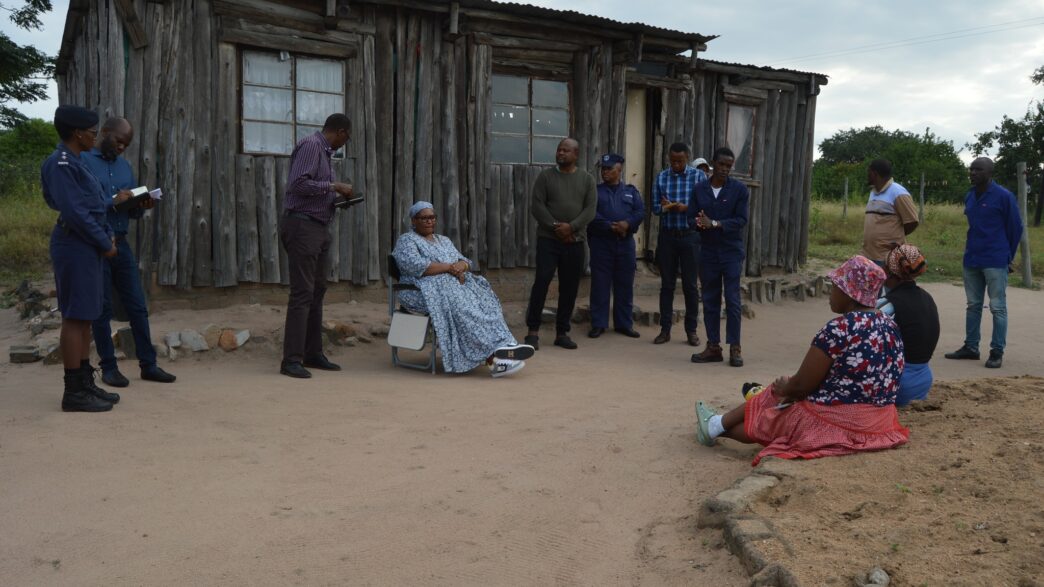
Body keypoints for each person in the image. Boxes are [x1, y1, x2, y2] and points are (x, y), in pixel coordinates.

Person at [694, 256, 909, 466]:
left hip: (843, 422)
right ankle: (716, 424)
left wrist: (784, 387)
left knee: (776, 403)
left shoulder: (840, 328)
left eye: (834, 286)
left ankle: (715, 426)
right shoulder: (889, 325)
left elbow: (801, 386)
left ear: (849, 292)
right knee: (784, 394)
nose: (830, 293)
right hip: (880, 421)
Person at [83, 117, 176, 387]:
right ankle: (109, 367)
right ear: (104, 133)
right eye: (119, 140)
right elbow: (82, 203)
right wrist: (112, 201)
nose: (123, 147)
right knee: (102, 308)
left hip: (121, 243)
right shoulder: (85, 161)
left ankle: (149, 365)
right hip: (96, 243)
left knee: (137, 305)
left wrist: (142, 204)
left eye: (127, 143)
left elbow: (130, 210)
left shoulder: (124, 167)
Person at [393, 202, 535, 376]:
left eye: (432, 217)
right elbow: (416, 267)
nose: (429, 221)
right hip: (420, 291)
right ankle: (493, 358)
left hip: (454, 288)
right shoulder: (407, 240)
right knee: (464, 309)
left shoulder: (443, 240)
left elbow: (464, 260)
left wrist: (461, 266)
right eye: (424, 218)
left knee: (485, 302)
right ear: (414, 220)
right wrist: (449, 268)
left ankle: (505, 345)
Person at [42, 105, 120, 412]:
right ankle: (73, 391)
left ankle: (85, 381)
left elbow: (94, 203)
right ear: (77, 133)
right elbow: (74, 212)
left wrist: (104, 233)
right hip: (75, 244)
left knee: (86, 314)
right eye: (92, 132)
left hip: (86, 244)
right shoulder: (60, 163)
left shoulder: (78, 161)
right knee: (75, 317)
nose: (95, 137)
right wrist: (104, 242)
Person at [279, 113, 355, 378]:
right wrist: (334, 186)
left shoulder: (324, 153)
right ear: (341, 132)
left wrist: (337, 198)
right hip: (302, 226)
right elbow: (297, 185)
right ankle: (291, 360)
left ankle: (312, 353)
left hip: (318, 226)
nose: (344, 144)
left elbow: (313, 190)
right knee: (302, 292)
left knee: (317, 290)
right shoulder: (312, 145)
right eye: (347, 138)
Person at [943, 157, 1023, 369]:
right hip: (972, 258)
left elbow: (1015, 228)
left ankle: (997, 351)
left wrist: (1008, 255)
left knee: (997, 307)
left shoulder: (1004, 196)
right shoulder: (970, 195)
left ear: (990, 172)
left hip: (995, 259)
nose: (973, 173)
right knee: (973, 305)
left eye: (978, 169)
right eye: (971, 169)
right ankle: (971, 347)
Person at [524, 138, 597, 351]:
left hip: (575, 241)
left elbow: (590, 210)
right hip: (548, 240)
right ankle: (533, 331)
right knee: (542, 282)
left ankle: (562, 332)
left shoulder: (587, 180)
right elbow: (537, 206)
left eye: (566, 150)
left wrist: (571, 228)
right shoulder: (545, 177)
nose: (560, 153)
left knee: (569, 286)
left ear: (576, 154)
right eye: (559, 150)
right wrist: (557, 227)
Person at [690, 147, 749, 367]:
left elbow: (741, 220)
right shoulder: (699, 190)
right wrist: (699, 222)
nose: (725, 169)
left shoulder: (739, 190)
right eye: (722, 164)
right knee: (710, 299)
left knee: (732, 300)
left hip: (731, 252)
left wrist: (714, 223)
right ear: (713, 163)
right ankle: (713, 346)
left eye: (729, 165)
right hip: (708, 253)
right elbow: (691, 219)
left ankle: (735, 347)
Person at [651, 142, 706, 346]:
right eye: (673, 161)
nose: (676, 165)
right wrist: (665, 207)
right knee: (667, 285)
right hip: (668, 236)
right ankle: (665, 330)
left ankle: (691, 330)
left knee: (691, 285)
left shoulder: (699, 177)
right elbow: (655, 209)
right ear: (668, 158)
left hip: (691, 236)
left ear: (687, 158)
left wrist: (686, 208)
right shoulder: (662, 177)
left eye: (680, 161)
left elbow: (705, 205)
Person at [587, 153, 644, 339]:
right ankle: (598, 324)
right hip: (602, 244)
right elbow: (590, 214)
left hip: (625, 244)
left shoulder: (631, 191)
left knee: (624, 285)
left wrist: (627, 224)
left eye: (609, 169)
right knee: (600, 285)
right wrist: (611, 226)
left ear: (619, 170)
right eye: (603, 169)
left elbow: (640, 212)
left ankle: (624, 324)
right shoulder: (595, 192)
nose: (605, 172)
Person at [876, 244, 939, 406]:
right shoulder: (927, 298)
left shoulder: (887, 305)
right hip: (923, 382)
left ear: (888, 271)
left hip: (897, 385)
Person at [862, 159, 918, 263]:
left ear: (875, 174)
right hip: (868, 255)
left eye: (868, 172)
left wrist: (895, 237)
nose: (867, 175)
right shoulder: (873, 192)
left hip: (887, 258)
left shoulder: (898, 192)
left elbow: (912, 221)